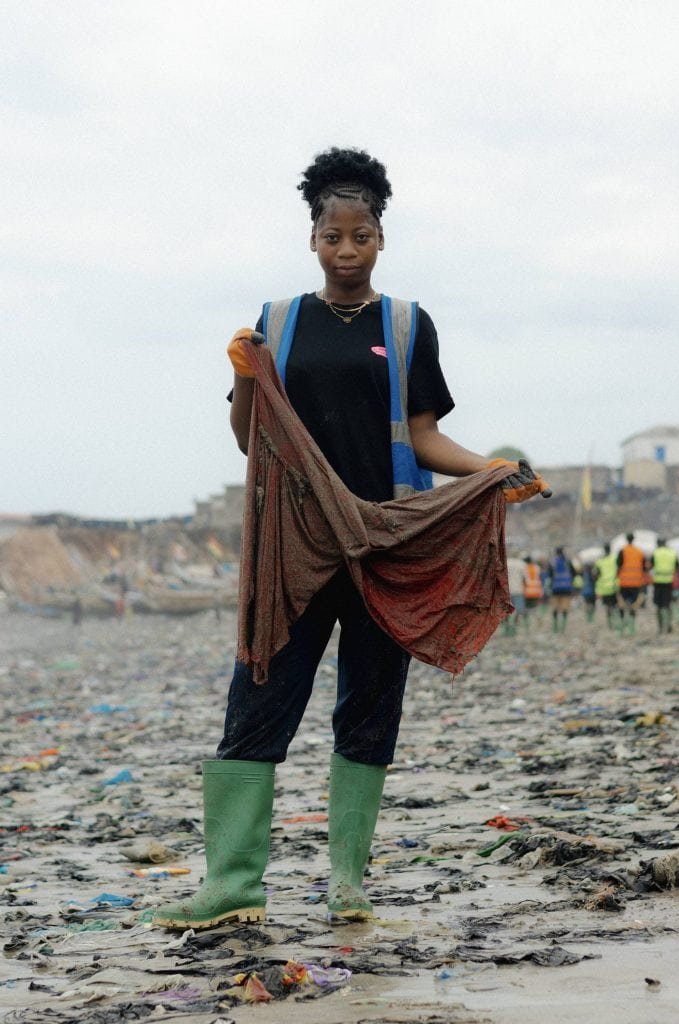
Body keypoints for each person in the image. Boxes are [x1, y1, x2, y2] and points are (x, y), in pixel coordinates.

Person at [154, 147, 549, 933]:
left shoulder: (405, 324)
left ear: (380, 239)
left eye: (360, 236)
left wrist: (490, 470)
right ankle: (231, 883)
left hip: (385, 549)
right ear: (311, 238)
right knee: (258, 700)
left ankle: (346, 882)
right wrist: (244, 377)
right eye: (332, 236)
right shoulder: (277, 322)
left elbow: (422, 435)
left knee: (368, 710)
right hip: (293, 547)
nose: (345, 250)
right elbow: (249, 437)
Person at [616, 532, 645, 635]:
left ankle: (621, 628)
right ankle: (632, 628)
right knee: (633, 605)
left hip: (624, 582)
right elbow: (644, 567)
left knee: (621, 604)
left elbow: (618, 565)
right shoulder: (639, 551)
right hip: (636, 582)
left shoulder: (622, 551)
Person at [651, 537, 679, 634]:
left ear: (658, 544)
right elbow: (677, 566)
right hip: (669, 582)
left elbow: (651, 565)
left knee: (659, 605)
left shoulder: (655, 553)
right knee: (668, 604)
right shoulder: (672, 553)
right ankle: (669, 624)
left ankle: (660, 626)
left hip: (658, 582)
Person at [594, 542, 619, 629]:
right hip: (614, 586)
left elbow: (596, 575)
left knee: (608, 606)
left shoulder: (599, 562)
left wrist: (597, 589)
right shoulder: (615, 559)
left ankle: (610, 624)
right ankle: (616, 621)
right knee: (615, 605)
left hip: (604, 587)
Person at [549, 547, 573, 633]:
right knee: (565, 607)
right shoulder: (568, 561)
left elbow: (549, 574)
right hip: (566, 588)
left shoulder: (553, 562)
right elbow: (574, 573)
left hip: (555, 588)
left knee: (555, 607)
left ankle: (555, 627)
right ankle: (563, 626)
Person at [522, 555, 543, 630]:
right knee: (535, 607)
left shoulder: (524, 568)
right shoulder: (537, 568)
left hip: (527, 591)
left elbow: (523, 579)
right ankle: (538, 618)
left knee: (526, 608)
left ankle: (527, 625)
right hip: (536, 590)